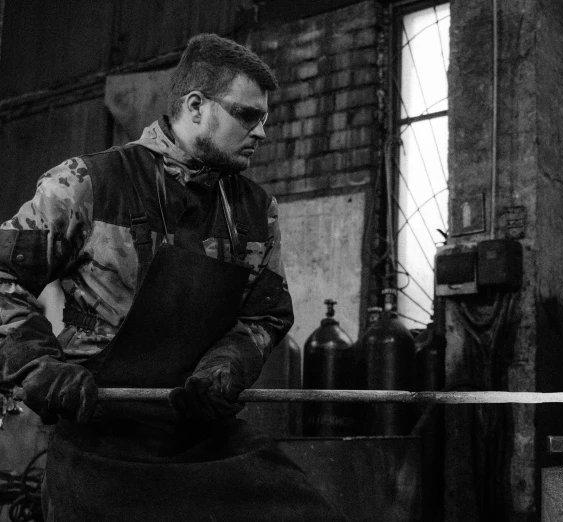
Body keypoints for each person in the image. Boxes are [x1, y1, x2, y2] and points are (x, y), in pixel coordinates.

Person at [0, 33, 346, 521]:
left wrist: (229, 361)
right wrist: (36, 364)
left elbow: (266, 313)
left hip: (200, 437)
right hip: (101, 442)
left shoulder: (253, 210)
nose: (262, 132)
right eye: (248, 115)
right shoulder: (89, 184)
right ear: (196, 106)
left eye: (265, 118)